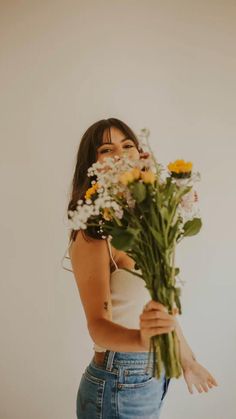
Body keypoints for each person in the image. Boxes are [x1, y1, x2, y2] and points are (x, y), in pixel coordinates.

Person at [65, 118, 218, 418]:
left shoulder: (146, 227)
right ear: (92, 165)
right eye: (106, 149)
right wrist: (141, 340)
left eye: (128, 145)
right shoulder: (93, 235)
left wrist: (187, 360)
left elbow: (161, 311)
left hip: (150, 376)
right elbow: (97, 326)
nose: (121, 154)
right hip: (118, 379)